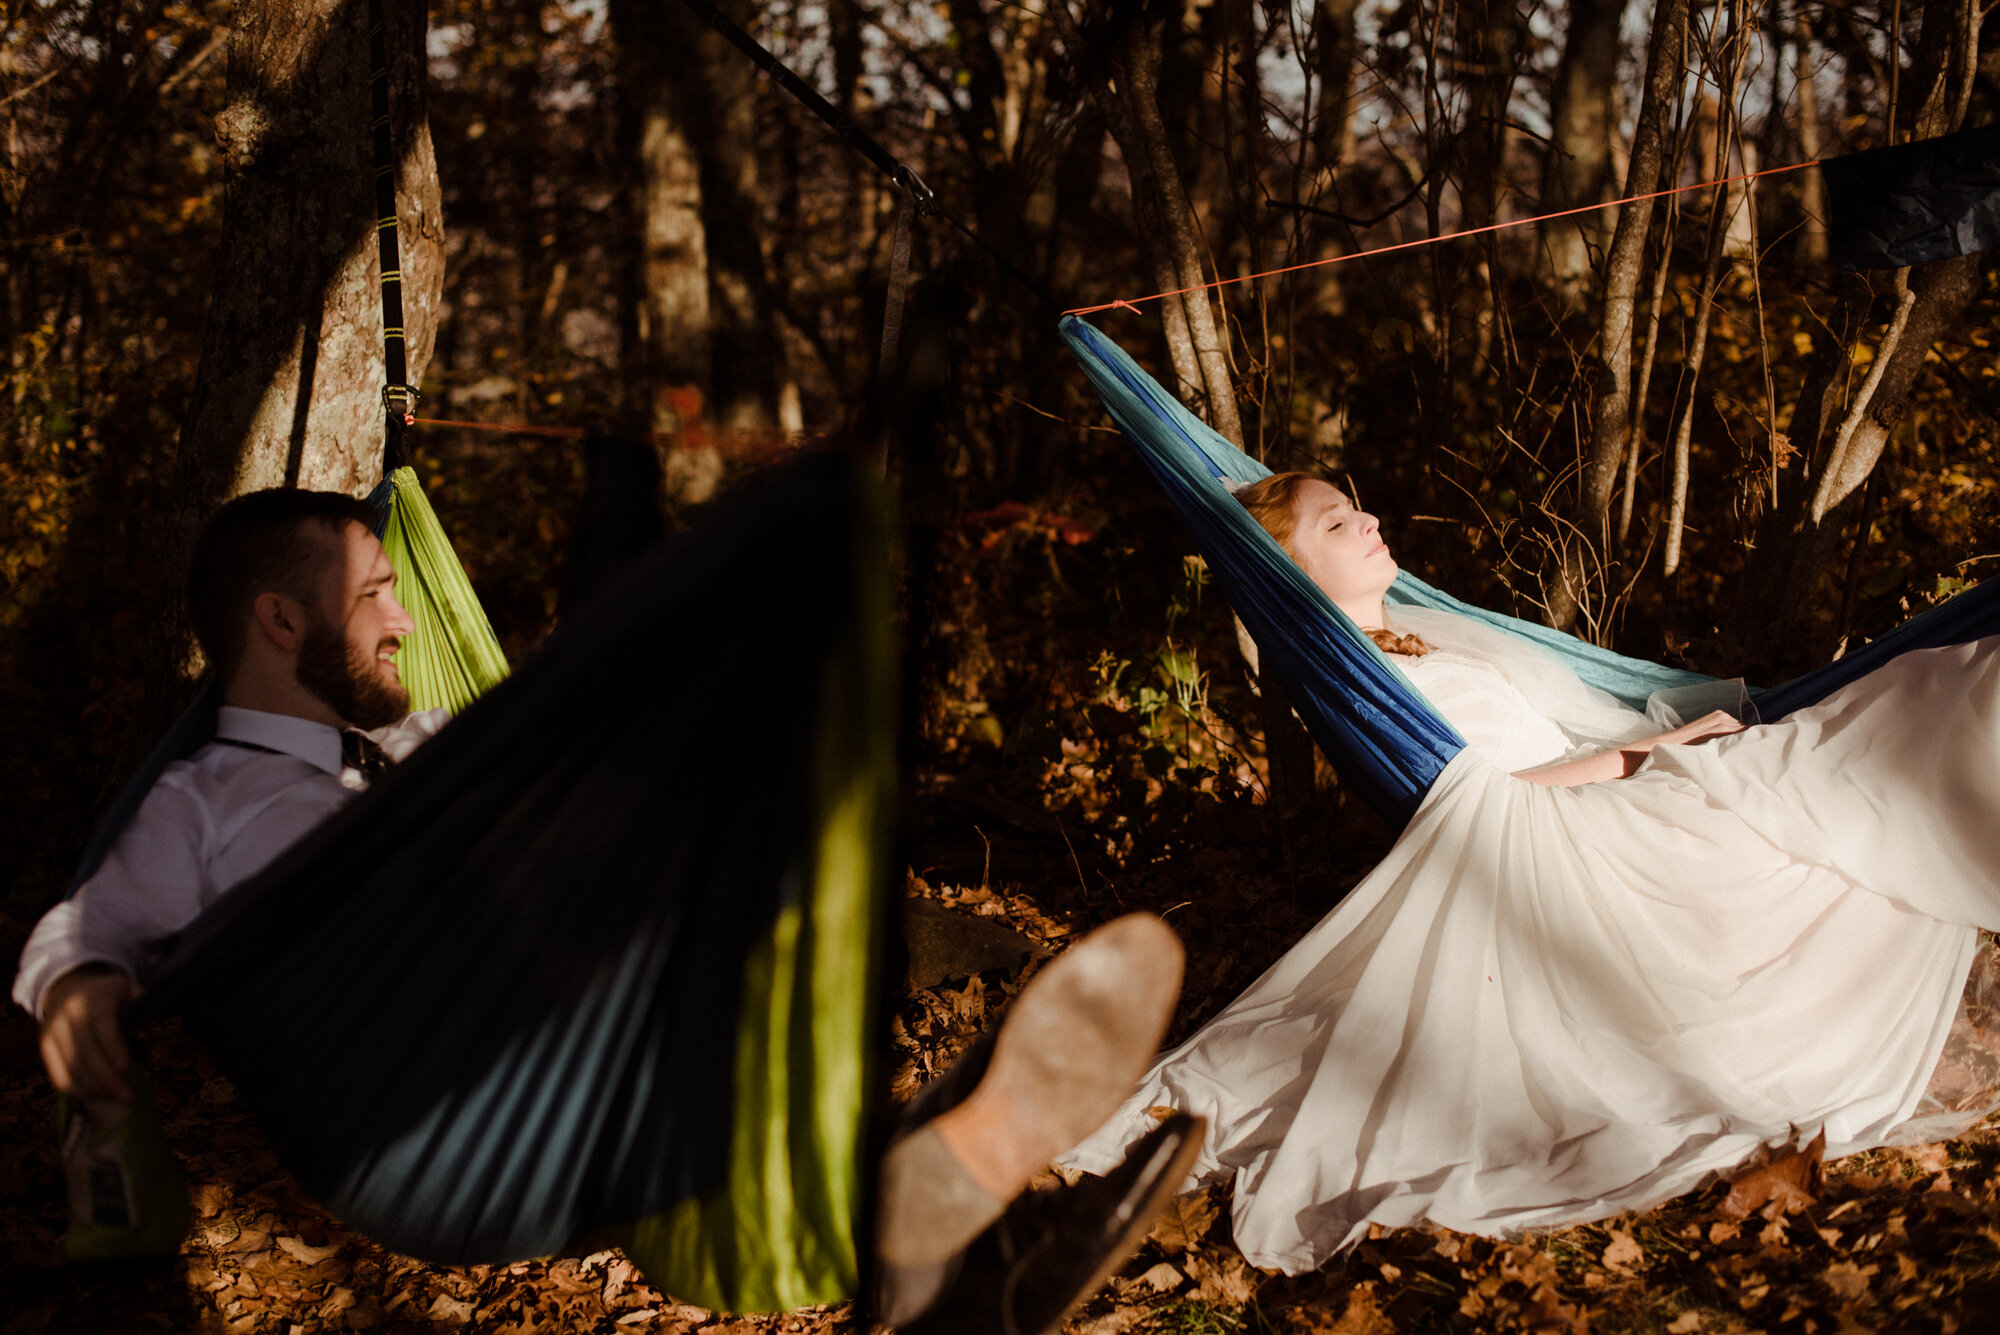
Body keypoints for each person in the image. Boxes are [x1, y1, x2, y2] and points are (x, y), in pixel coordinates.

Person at [12, 484, 1202, 1334]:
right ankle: (922, 1191)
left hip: (571, 1053)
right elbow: (87, 924)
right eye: (378, 593)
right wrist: (76, 990)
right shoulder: (206, 798)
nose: (407, 618)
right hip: (411, 1123)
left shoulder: (430, 742)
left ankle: (956, 1249)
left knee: (735, 845)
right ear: (279, 623)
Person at [1065, 470, 2000, 1276]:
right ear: (1290, 570)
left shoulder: (1428, 640)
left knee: (1896, 721)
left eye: (1357, 506)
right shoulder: (1369, 682)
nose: (1370, 522)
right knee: (1910, 718)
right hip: (1590, 830)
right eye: (1337, 523)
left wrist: (1664, 744)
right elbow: (1492, 792)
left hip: (1631, 796)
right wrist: (1666, 751)